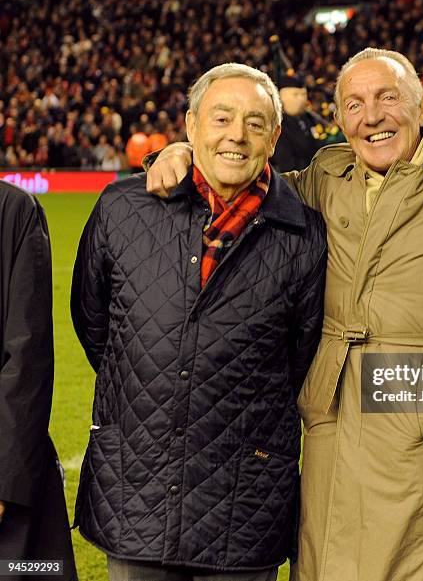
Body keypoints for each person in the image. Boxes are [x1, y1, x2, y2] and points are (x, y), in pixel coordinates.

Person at [145, 48, 423, 581]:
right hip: (330, 429)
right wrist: (183, 151)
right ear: (339, 119)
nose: (373, 116)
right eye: (354, 104)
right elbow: (242, 182)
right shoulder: (325, 177)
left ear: (422, 103)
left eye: (388, 97)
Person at [71, 64, 326, 581]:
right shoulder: (122, 208)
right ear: (190, 126)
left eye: (255, 124)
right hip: (136, 491)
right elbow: (94, 322)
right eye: (222, 118)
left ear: (274, 138)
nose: (237, 135)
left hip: (244, 503)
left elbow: (299, 356)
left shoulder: (303, 235)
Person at [0, 180, 77, 581]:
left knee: (24, 569)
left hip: (7, 476)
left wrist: (4, 479)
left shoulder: (14, 211)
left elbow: (26, 356)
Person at [270, 73, 327, 172]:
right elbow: (287, 164)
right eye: (296, 95)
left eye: (303, 94)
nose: (301, 99)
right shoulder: (279, 126)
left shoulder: (307, 119)